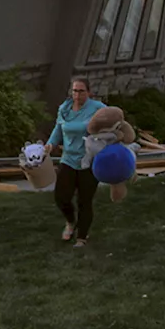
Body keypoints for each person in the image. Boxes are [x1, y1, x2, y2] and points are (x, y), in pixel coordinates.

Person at [45, 77, 106, 247]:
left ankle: (82, 237)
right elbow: (58, 130)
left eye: (81, 91)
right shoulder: (64, 109)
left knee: (84, 200)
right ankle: (71, 222)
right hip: (68, 159)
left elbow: (114, 121)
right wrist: (50, 145)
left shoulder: (98, 108)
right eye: (74, 91)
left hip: (89, 160)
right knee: (61, 197)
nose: (77, 95)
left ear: (88, 92)